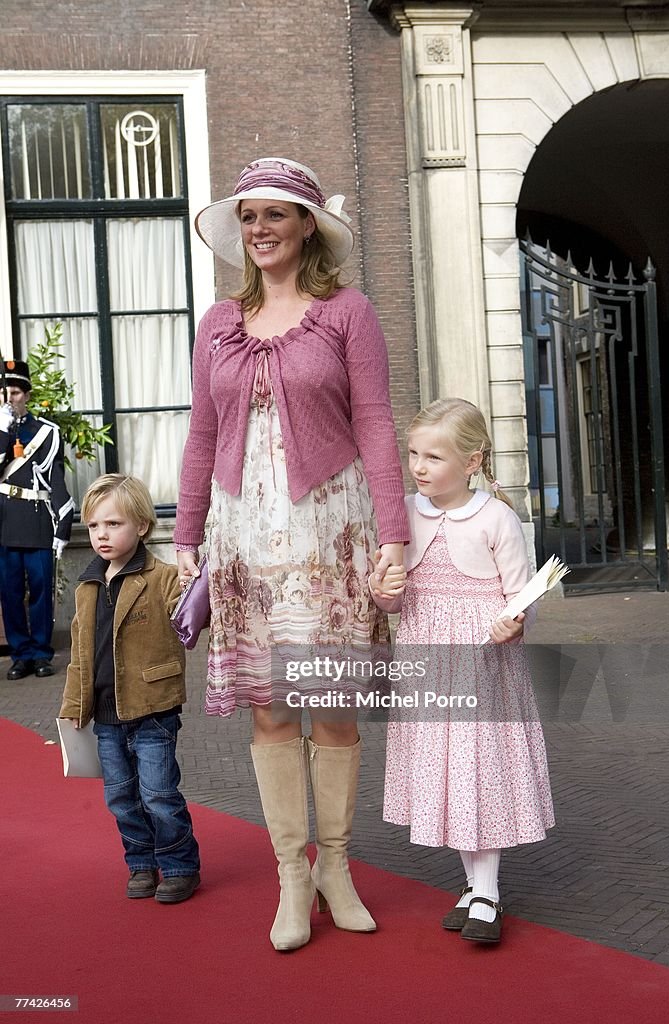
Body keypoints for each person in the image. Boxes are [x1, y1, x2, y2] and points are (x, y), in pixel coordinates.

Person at [174, 157, 409, 949]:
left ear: (307, 224)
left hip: (331, 533)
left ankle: (336, 866)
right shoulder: (216, 324)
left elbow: (376, 422)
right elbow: (202, 434)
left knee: (333, 711)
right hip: (244, 537)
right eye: (248, 217)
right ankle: (289, 876)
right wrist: (184, 534)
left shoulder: (347, 311)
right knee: (272, 710)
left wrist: (393, 535)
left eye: (275, 215)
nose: (259, 230)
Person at [370, 397, 555, 944]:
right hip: (426, 662)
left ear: (472, 461)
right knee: (445, 771)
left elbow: (523, 595)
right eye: (413, 454)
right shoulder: (402, 513)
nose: (419, 467)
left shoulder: (496, 516)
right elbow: (390, 597)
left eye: (434, 456)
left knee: (477, 770)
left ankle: (487, 894)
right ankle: (474, 887)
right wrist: (384, 593)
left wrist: (514, 622)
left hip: (481, 663)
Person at [59, 474, 201, 904]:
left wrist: (198, 577)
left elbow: (191, 612)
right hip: (104, 715)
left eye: (114, 524)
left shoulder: (163, 578)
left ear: (141, 525)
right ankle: (141, 863)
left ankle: (179, 866)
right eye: (96, 525)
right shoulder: (87, 586)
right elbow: (80, 655)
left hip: (152, 710)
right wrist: (71, 707)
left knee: (159, 794)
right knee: (121, 797)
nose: (102, 534)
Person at [0, 359, 74, 679]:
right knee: (10, 592)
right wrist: (3, 432)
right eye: (4, 392)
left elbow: (55, 479)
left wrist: (65, 520)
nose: (10, 398)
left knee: (42, 590)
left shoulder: (45, 432)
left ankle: (41, 653)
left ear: (26, 395)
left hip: (37, 520)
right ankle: (20, 654)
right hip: (5, 523)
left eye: (15, 392)